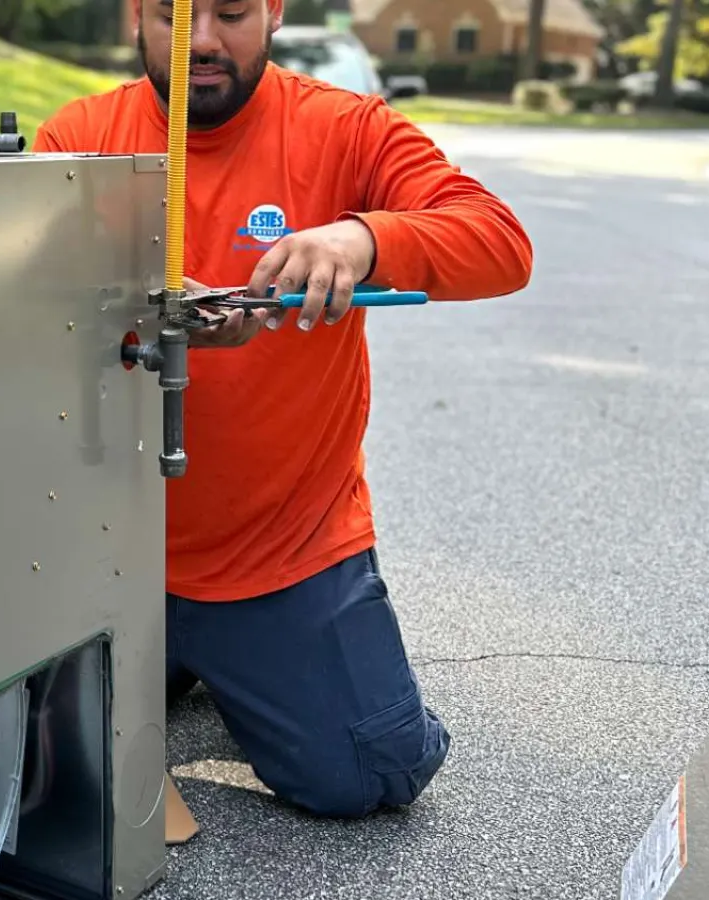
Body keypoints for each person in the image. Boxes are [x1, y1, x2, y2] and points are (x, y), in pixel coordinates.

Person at [34, 0, 533, 822]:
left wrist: (360, 239)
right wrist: (141, 316)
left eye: (231, 13)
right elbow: (6, 306)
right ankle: (197, 659)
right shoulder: (75, 138)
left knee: (367, 778)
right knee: (10, 765)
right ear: (135, 15)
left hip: (281, 551)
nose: (203, 42)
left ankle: (278, 664)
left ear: (273, 12)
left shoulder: (346, 128)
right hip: (108, 556)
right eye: (172, 15)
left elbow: (500, 243)